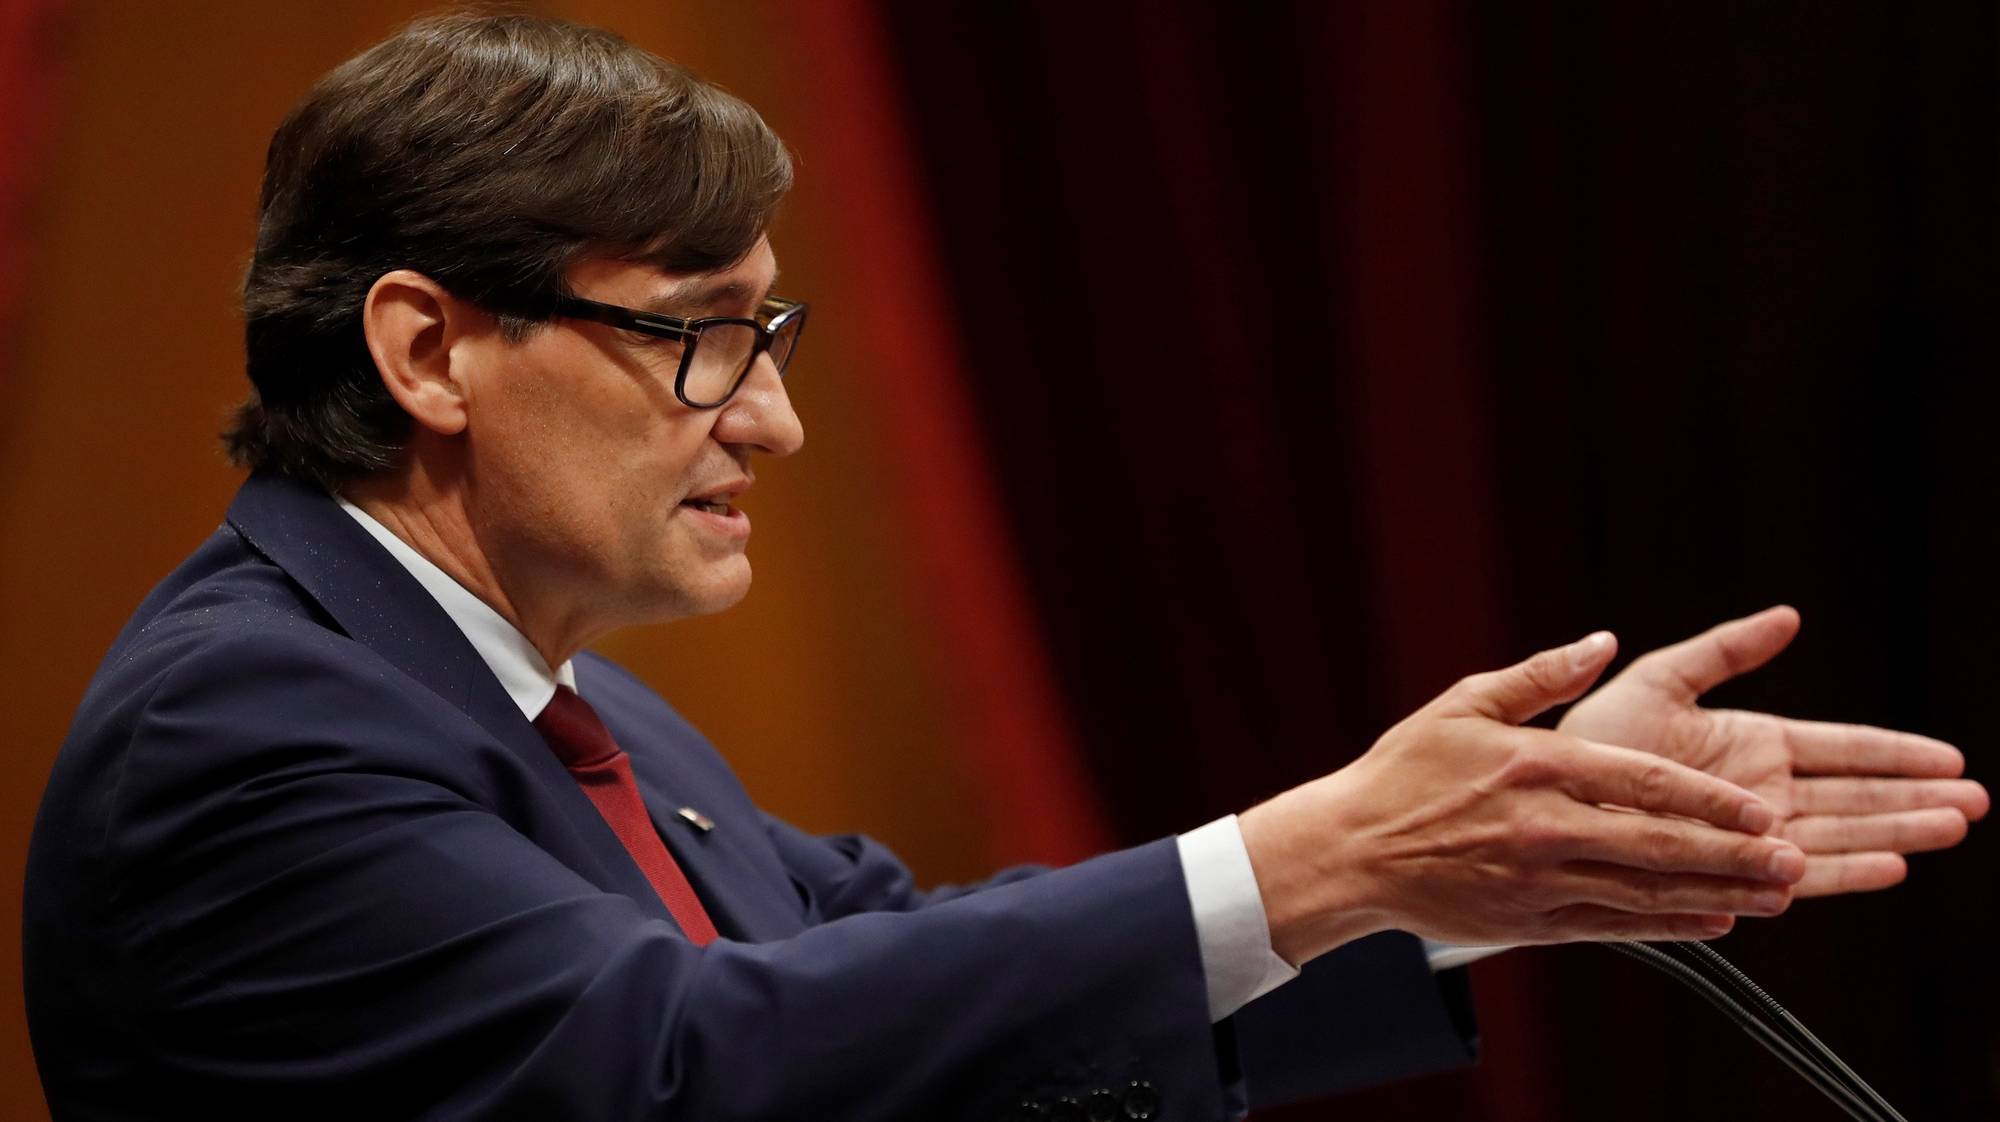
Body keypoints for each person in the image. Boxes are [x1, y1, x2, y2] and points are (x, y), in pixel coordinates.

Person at [23, 13, 1987, 1121]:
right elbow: (686, 1080)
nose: (769, 426)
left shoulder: (576, 712)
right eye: (698, 339)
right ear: (428, 349)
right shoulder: (245, 728)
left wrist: (1505, 866)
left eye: (772, 346)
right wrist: (1337, 849)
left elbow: (925, 1009)